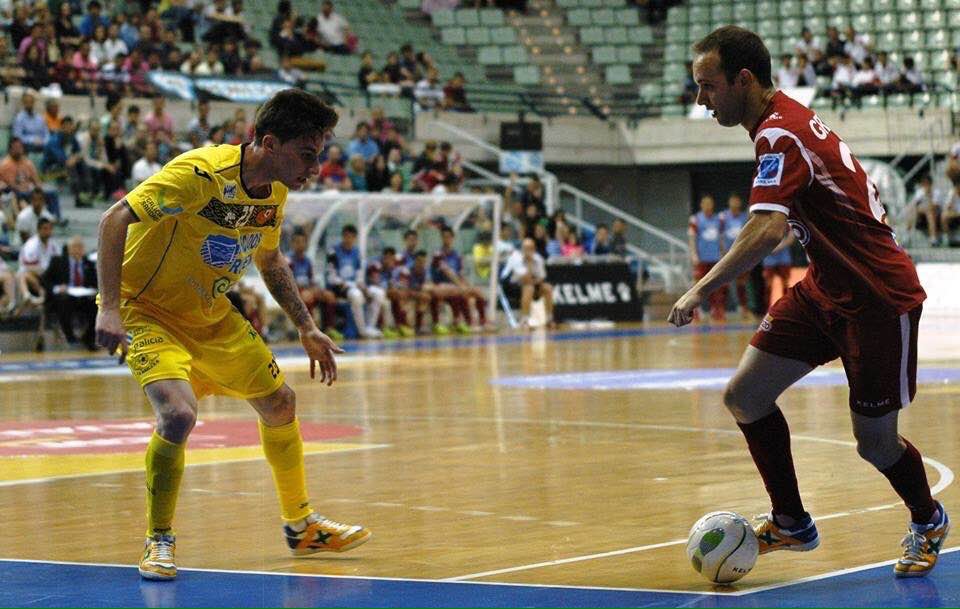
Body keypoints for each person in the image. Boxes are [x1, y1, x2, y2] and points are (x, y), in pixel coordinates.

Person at [668, 26, 948, 578]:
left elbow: (768, 229)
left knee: (875, 444)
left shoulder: (780, 134)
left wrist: (702, 287)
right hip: (825, 288)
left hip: (877, 299)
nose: (701, 100)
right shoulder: (779, 124)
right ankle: (791, 522)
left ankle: (929, 518)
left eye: (708, 86)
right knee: (745, 396)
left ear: (743, 80)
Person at [94, 89, 371, 581]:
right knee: (178, 415)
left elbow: (270, 259)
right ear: (270, 142)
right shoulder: (200, 174)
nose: (315, 168)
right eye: (307, 154)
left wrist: (306, 326)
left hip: (210, 314)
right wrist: (111, 308)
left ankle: (301, 526)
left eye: (319, 155)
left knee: (281, 403)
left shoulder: (275, 191)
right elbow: (114, 219)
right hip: (146, 310)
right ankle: (159, 539)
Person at [325, 224, 386, 338]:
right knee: (357, 295)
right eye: (346, 236)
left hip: (354, 285)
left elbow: (359, 274)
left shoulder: (357, 252)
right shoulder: (333, 252)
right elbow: (331, 277)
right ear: (343, 236)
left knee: (379, 293)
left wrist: (362, 285)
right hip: (339, 286)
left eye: (351, 237)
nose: (348, 239)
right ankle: (362, 331)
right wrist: (345, 284)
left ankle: (370, 327)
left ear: (355, 238)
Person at [287, 229, 342, 342]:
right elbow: (287, 283)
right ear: (292, 244)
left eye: (303, 242)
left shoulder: (307, 260)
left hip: (308, 289)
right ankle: (308, 331)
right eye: (297, 242)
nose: (300, 244)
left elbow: (311, 279)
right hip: (294, 292)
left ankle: (329, 329)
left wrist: (316, 289)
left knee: (329, 296)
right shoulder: (288, 260)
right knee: (307, 296)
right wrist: (306, 289)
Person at [43, 235, 98, 349]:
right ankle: (70, 336)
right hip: (65, 297)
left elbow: (95, 283)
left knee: (97, 304)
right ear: (69, 249)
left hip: (84, 297)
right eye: (75, 247)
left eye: (80, 247)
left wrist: (94, 290)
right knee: (64, 301)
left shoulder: (88, 263)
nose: (78, 249)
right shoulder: (57, 261)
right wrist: (57, 288)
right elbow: (45, 280)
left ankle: (89, 338)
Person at [688, 194, 726, 321]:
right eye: (705, 203)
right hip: (701, 259)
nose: (708, 206)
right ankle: (695, 310)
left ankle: (717, 310)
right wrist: (694, 254)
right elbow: (692, 238)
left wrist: (723, 254)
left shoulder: (718, 219)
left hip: (715, 258)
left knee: (716, 286)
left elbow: (721, 238)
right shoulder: (695, 219)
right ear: (701, 205)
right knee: (698, 286)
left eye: (710, 203)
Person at [502, 237, 555, 330]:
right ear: (522, 249)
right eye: (525, 248)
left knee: (548, 288)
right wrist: (529, 262)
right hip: (512, 287)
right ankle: (525, 320)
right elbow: (525, 278)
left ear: (534, 249)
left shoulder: (538, 259)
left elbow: (542, 278)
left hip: (532, 285)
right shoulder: (515, 258)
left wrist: (535, 281)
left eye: (530, 248)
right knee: (529, 288)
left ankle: (549, 319)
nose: (528, 250)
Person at [719, 193, 752, 319]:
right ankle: (721, 310)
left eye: (736, 201)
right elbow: (720, 235)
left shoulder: (744, 217)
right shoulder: (723, 217)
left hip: (742, 255)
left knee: (741, 283)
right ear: (729, 202)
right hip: (728, 255)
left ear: (740, 203)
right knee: (723, 282)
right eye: (732, 201)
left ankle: (743, 308)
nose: (734, 203)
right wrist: (723, 252)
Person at [18, 216, 58, 306]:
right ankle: (30, 296)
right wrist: (45, 271)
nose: (48, 232)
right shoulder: (31, 245)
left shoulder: (54, 244)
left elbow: (58, 263)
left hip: (47, 275)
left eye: (50, 229)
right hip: (32, 274)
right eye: (45, 229)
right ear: (38, 230)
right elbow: (29, 267)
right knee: (25, 275)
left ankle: (42, 298)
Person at [906, 174, 943, 246]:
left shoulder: (936, 192)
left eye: (927, 183)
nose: (926, 185)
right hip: (922, 212)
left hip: (934, 212)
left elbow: (935, 206)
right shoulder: (920, 192)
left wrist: (929, 195)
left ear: (931, 183)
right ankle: (908, 236)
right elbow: (915, 204)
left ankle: (933, 238)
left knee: (930, 212)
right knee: (912, 210)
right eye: (924, 183)